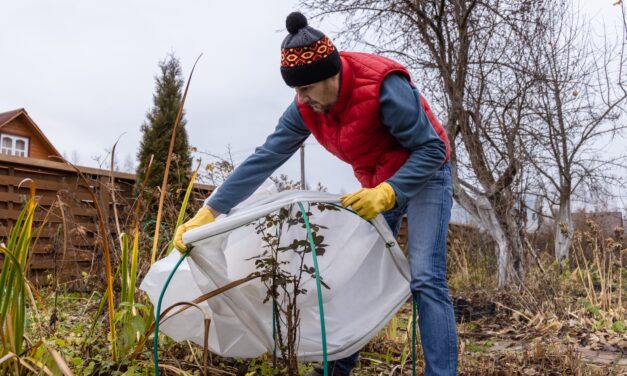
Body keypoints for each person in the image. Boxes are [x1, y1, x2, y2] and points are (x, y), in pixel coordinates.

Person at [174, 11, 458, 376]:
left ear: (331, 75)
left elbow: (432, 149)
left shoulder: (384, 88)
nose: (301, 99)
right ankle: (335, 371)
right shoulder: (305, 109)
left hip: (427, 173)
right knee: (358, 276)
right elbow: (266, 157)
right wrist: (210, 211)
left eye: (306, 89)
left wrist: (390, 192)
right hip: (377, 181)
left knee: (425, 277)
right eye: (296, 90)